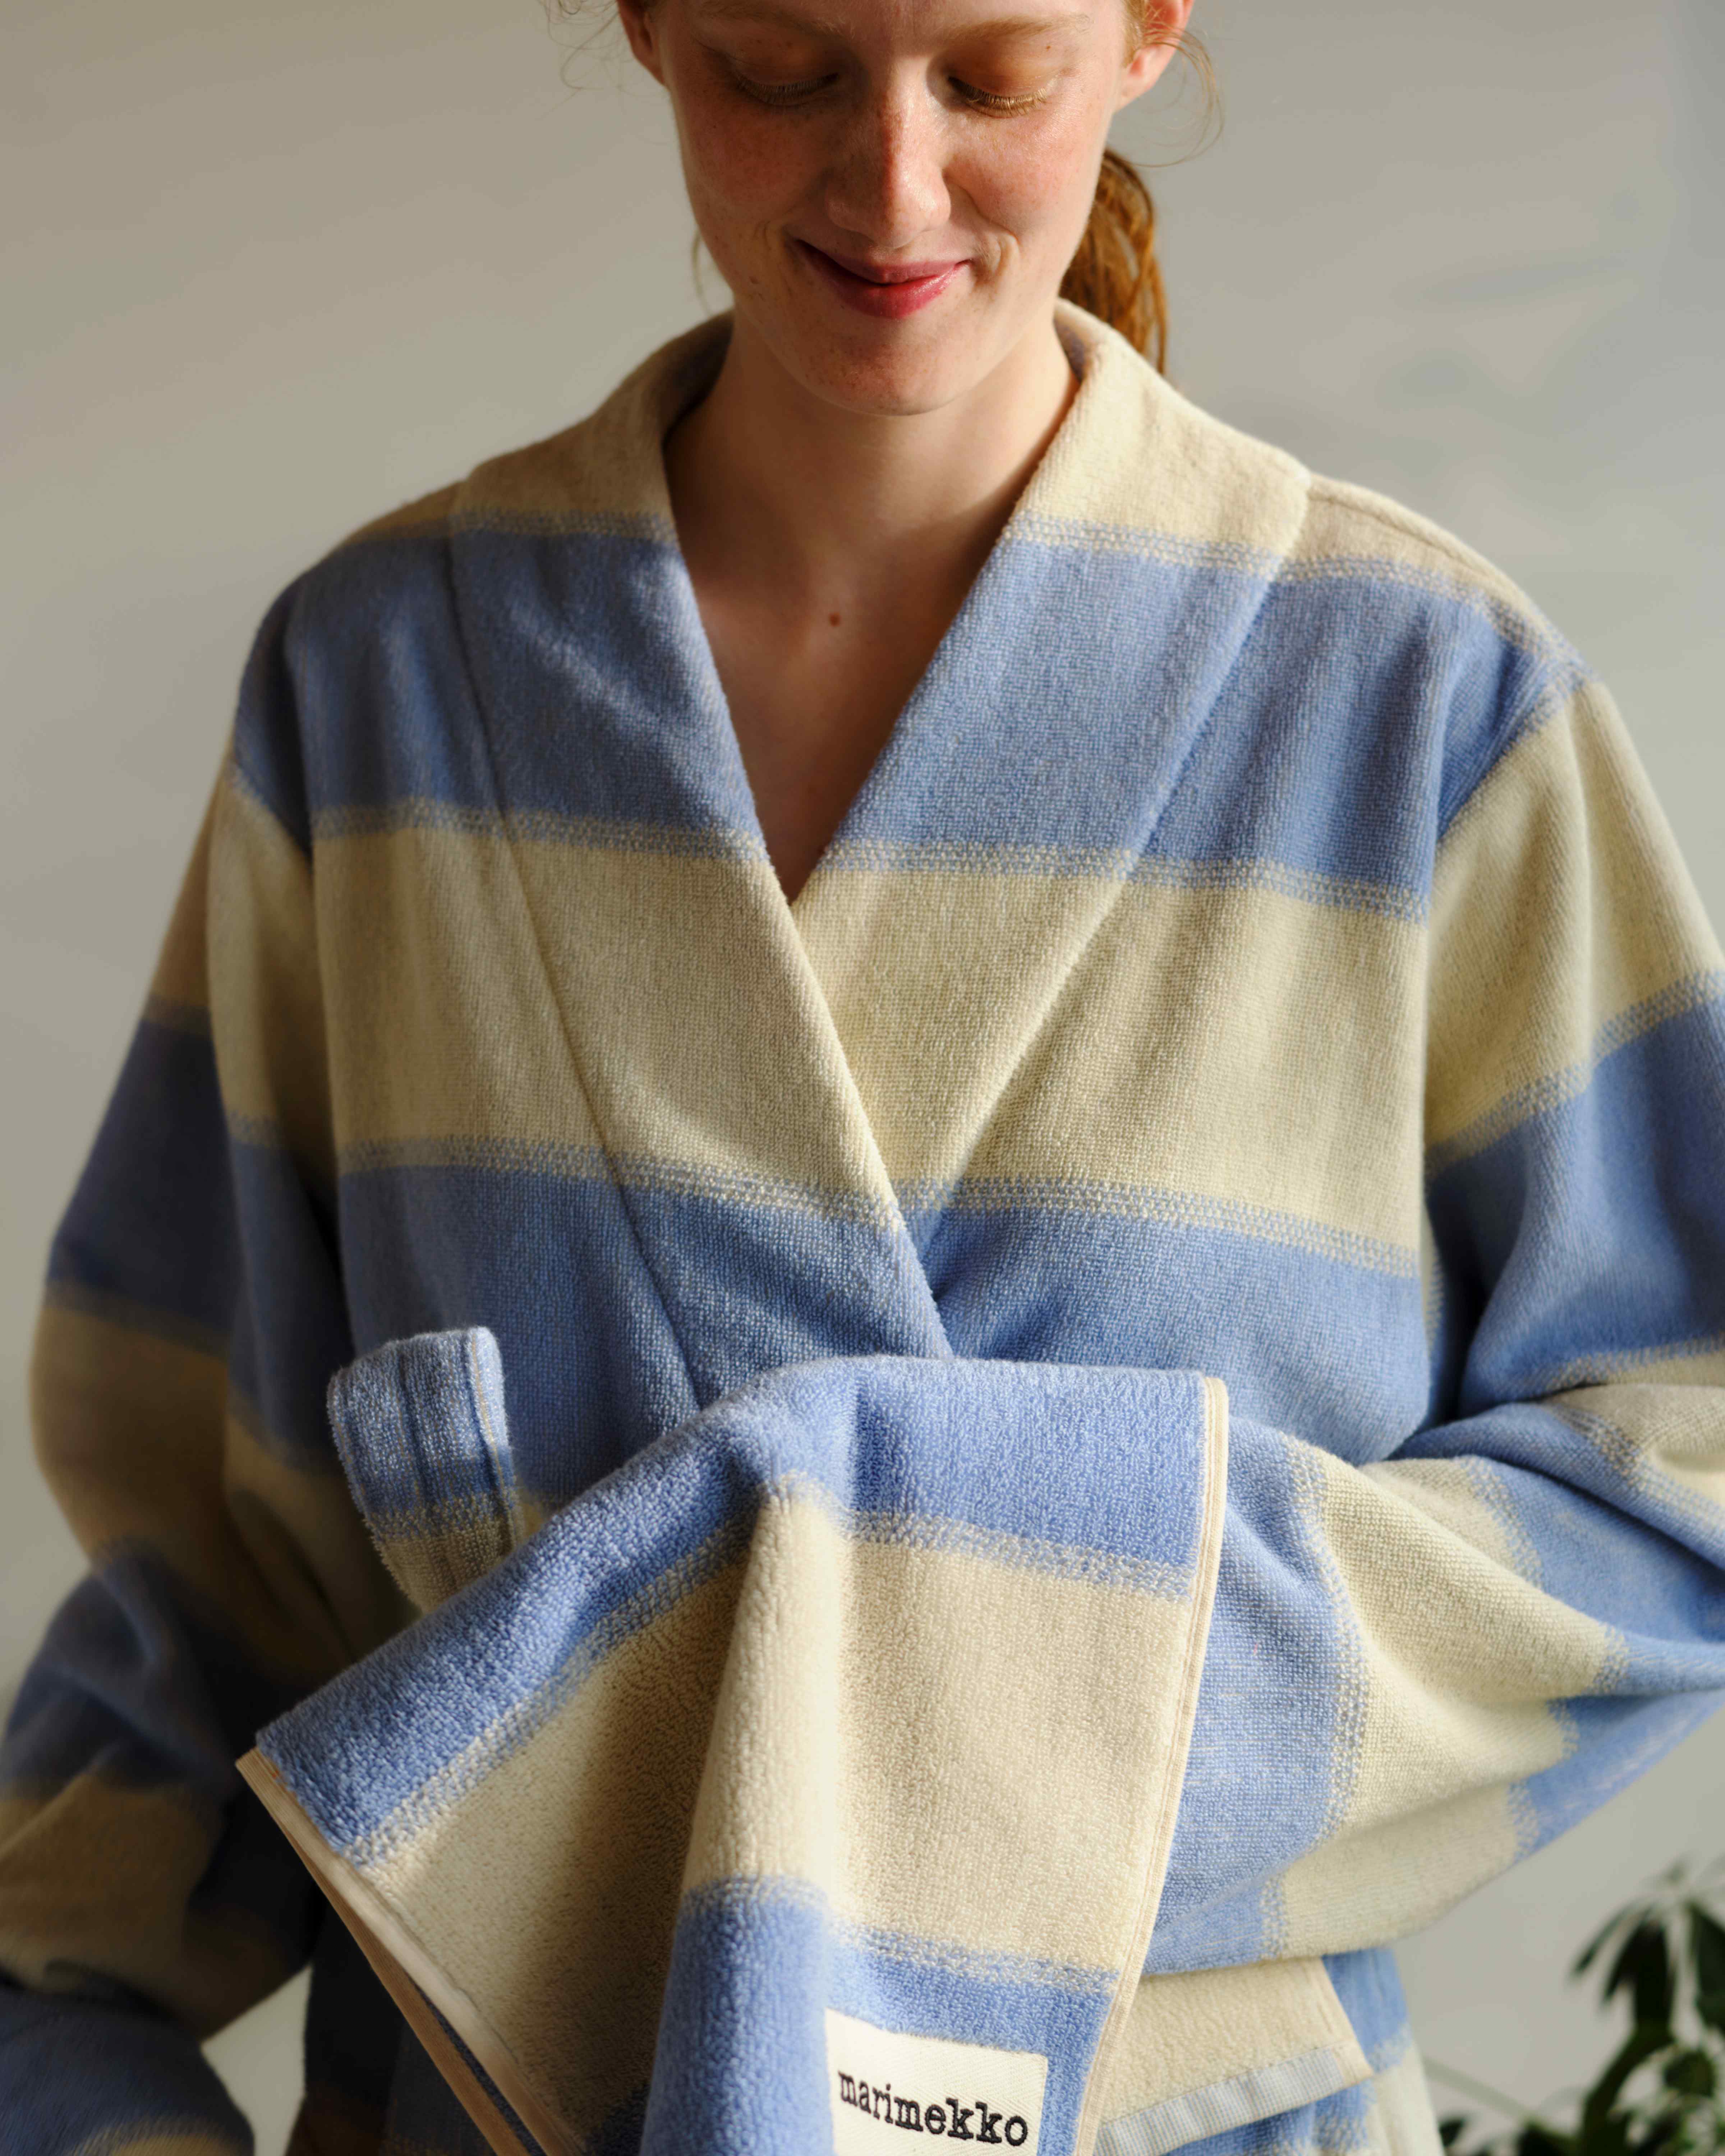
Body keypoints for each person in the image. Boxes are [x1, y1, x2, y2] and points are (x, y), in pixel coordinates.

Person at [4, 0, 1723, 2147]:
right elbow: (210, 1576)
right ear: (645, 26)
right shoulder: (383, 703)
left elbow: (1688, 1462)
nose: (892, 184)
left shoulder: (1425, 715)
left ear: (1147, 31)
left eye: (989, 74)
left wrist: (995, 1670)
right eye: (782, 67)